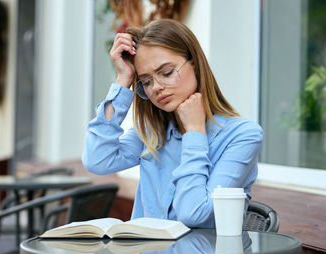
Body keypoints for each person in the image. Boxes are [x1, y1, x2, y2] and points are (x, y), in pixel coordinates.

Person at [82, 19, 263, 228]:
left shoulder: (243, 136)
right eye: (147, 81)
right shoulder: (153, 132)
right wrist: (123, 79)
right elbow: (97, 159)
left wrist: (194, 132)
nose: (156, 87)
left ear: (194, 63)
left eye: (166, 72)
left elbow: (192, 213)